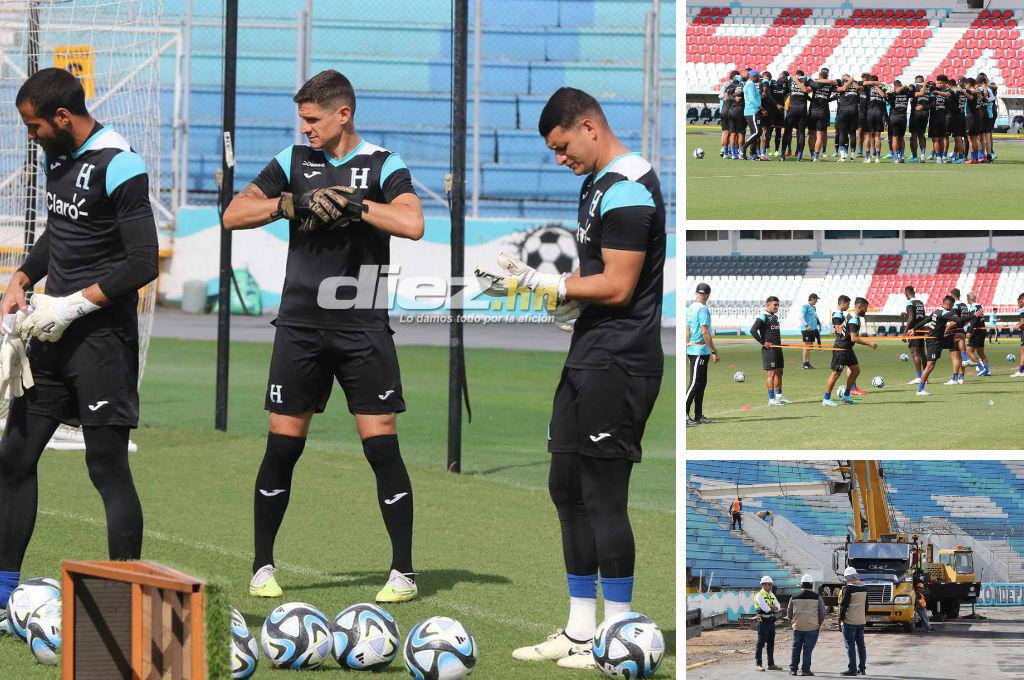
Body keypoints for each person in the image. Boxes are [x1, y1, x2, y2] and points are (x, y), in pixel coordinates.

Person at [222, 70, 425, 603]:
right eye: (302, 119)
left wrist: (357, 206)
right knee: (282, 449)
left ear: (344, 115)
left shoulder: (384, 164)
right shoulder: (291, 162)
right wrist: (289, 204)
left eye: (313, 119)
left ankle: (402, 571)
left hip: (363, 326)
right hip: (300, 327)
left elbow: (412, 223)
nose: (306, 128)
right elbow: (233, 213)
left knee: (382, 450)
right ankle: (262, 566)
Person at [508, 86, 665, 670]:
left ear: (589, 127)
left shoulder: (627, 187)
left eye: (562, 145)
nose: (560, 158)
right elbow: (594, 278)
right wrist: (565, 302)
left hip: (620, 361)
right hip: (589, 353)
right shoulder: (596, 184)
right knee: (565, 488)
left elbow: (621, 285)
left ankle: (617, 636)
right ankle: (580, 632)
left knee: (603, 497)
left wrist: (542, 283)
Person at [0, 68, 159, 620]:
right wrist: (22, 278)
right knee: (13, 457)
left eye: (34, 125)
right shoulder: (59, 157)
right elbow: (59, 230)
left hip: (102, 341)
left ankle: (129, 601)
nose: (30, 134)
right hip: (51, 337)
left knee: (106, 466)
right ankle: (2, 596)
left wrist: (72, 304)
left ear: (63, 117)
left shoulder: (121, 162)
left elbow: (141, 262)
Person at [905, 295, 982, 396]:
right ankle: (920, 390)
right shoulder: (944, 313)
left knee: (959, 336)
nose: (952, 308)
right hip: (934, 342)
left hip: (940, 339)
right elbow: (959, 320)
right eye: (952, 305)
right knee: (930, 366)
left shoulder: (937, 311)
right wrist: (974, 315)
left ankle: (965, 360)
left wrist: (914, 329)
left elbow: (926, 320)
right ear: (949, 304)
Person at [822, 297, 877, 407]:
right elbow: (854, 338)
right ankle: (826, 399)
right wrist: (869, 343)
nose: (866, 311)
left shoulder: (853, 316)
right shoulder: (853, 318)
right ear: (859, 307)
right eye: (865, 308)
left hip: (847, 349)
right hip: (841, 349)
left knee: (856, 370)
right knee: (836, 374)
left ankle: (846, 395)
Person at [686, 282, 719, 427]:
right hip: (700, 350)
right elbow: (705, 332)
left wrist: (687, 347)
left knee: (701, 383)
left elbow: (687, 331)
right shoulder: (703, 309)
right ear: (708, 295)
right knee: (695, 383)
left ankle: (698, 415)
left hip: (694, 349)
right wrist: (714, 351)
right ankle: (684, 415)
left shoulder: (690, 308)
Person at [750, 296, 789, 405]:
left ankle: (779, 396)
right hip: (769, 351)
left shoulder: (775, 317)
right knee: (771, 374)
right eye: (775, 305)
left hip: (778, 349)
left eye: (778, 305)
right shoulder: (763, 316)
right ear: (768, 305)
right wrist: (763, 342)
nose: (777, 307)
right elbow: (753, 330)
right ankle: (771, 399)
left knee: (779, 372)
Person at [788, 573, 825, 676]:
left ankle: (793, 669)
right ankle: (805, 670)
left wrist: (793, 623)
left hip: (797, 627)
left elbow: (789, 613)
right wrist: (818, 624)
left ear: (801, 584)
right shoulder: (817, 597)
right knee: (807, 649)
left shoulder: (794, 597)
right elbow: (823, 613)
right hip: (812, 628)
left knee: (796, 648)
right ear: (811, 584)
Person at [839, 566, 868, 676]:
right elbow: (866, 606)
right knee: (861, 645)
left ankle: (852, 669)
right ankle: (862, 669)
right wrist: (862, 617)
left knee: (850, 645)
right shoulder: (864, 588)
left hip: (849, 622)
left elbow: (843, 606)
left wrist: (841, 619)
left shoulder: (848, 589)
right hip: (861, 621)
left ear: (848, 577)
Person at [754, 574, 783, 671]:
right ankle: (758, 664)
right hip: (762, 622)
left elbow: (778, 607)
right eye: (769, 584)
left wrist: (772, 608)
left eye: (771, 584)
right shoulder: (759, 595)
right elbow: (765, 609)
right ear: (763, 585)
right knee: (761, 643)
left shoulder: (771, 595)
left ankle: (771, 664)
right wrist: (772, 607)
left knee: (771, 643)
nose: (771, 586)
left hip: (771, 622)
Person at [901, 286, 927, 384]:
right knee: (922, 353)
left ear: (907, 295)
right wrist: (906, 314)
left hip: (913, 331)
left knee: (914, 352)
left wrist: (905, 332)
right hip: (921, 329)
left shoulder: (909, 303)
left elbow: (911, 318)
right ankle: (925, 377)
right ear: (914, 292)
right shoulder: (920, 302)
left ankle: (919, 377)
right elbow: (921, 316)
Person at [742, 70, 766, 161]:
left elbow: (753, 97)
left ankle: (753, 153)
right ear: (754, 76)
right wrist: (761, 108)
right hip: (752, 111)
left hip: (751, 111)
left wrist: (760, 97)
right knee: (758, 132)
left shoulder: (748, 84)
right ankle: (743, 148)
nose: (759, 79)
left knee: (754, 133)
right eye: (758, 77)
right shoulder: (751, 84)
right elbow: (752, 99)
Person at [964, 292, 990, 376]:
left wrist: (969, 331)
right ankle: (987, 370)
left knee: (969, 350)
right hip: (982, 331)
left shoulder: (973, 307)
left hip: (976, 332)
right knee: (981, 353)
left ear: (969, 298)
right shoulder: (979, 306)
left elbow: (974, 320)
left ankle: (981, 369)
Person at [800, 293, 821, 369]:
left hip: (811, 330)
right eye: (816, 299)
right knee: (807, 346)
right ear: (812, 299)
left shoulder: (812, 307)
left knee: (809, 346)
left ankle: (807, 362)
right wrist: (806, 325)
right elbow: (800, 317)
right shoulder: (806, 306)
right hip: (806, 329)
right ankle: (804, 363)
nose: (816, 301)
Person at [1012, 293, 1024, 378]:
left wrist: (1017, 326)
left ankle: (1021, 371)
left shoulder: (1023, 310)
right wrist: (1019, 324)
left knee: (1023, 352)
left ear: (1022, 300)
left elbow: (1023, 322)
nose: (1018, 304)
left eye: (1018, 302)